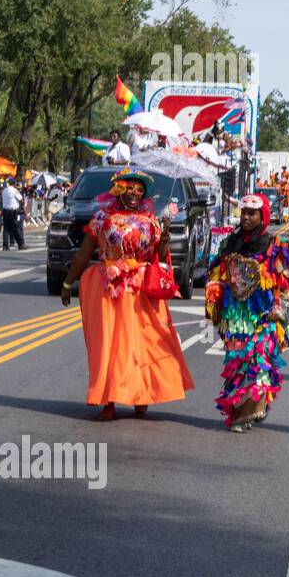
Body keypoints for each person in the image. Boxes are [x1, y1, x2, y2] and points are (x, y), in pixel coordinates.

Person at [59, 169, 193, 420]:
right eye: (130, 188)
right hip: (108, 290)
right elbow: (83, 254)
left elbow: (161, 254)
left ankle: (141, 395)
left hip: (141, 290)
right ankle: (108, 400)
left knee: (144, 344)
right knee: (108, 346)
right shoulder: (101, 219)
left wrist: (164, 238)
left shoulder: (151, 220)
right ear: (118, 189)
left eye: (139, 190)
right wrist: (67, 285)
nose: (135, 194)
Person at [204, 194, 289, 432]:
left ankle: (250, 410)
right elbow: (216, 274)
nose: (246, 217)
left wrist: (281, 307)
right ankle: (241, 409)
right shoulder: (231, 243)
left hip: (264, 315)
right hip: (236, 316)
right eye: (244, 213)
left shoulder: (274, 246)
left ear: (263, 216)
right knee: (238, 362)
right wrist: (213, 299)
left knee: (260, 361)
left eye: (252, 213)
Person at [0, 178, 25, 250]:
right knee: (16, 228)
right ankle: (21, 244)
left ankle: (5, 246)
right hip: (13, 211)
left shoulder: (4, 190)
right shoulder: (15, 191)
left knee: (6, 229)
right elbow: (21, 199)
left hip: (5, 211)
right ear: (14, 183)